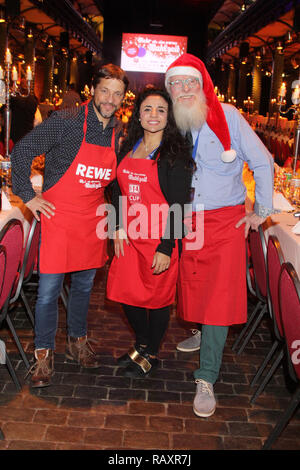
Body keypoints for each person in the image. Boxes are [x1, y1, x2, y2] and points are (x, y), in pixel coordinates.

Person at [164, 53, 274, 417]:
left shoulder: (228, 116)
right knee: (193, 284)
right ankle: (202, 332)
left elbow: (262, 162)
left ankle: (206, 375)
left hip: (226, 221)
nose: (182, 90)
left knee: (218, 299)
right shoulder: (173, 123)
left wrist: (261, 212)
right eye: (175, 84)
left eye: (189, 82)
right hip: (188, 219)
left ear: (202, 85)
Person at [11, 63, 129, 388]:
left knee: (84, 287)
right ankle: (43, 355)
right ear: (94, 88)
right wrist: (26, 195)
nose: (110, 99)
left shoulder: (119, 132)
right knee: (48, 292)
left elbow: (116, 184)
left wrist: (117, 222)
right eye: (105, 90)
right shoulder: (66, 121)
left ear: (123, 98)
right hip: (58, 218)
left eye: (117, 94)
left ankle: (77, 341)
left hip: (92, 220)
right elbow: (22, 151)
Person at [106, 86, 193, 377]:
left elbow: (179, 204)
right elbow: (115, 187)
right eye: (147, 109)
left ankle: (151, 352)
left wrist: (167, 247)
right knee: (124, 293)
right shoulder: (128, 147)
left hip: (159, 238)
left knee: (157, 301)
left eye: (160, 110)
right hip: (129, 237)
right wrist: (116, 224)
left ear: (169, 117)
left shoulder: (174, 154)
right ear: (138, 116)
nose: (153, 115)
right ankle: (142, 342)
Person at [10, 79, 42, 144]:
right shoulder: (33, 100)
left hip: (16, 132)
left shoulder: (14, 99)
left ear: (20, 87)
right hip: (28, 132)